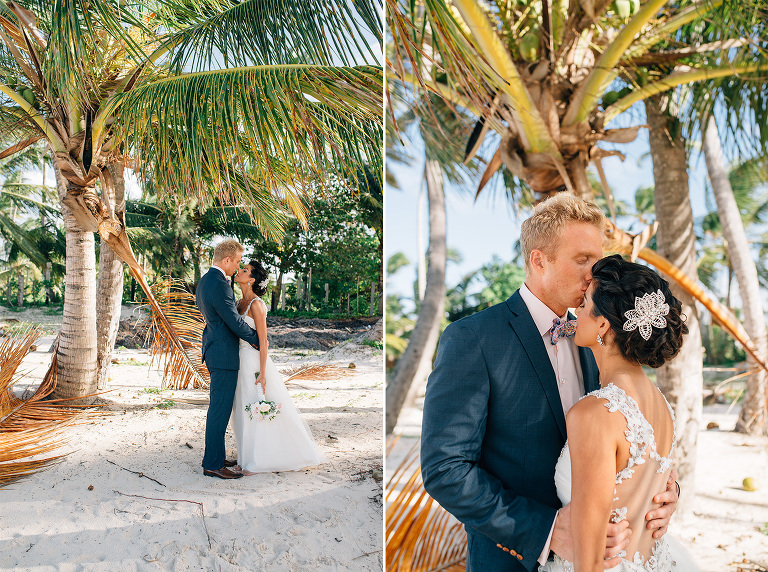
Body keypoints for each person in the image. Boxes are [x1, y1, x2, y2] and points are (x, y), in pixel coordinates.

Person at [420, 194, 679, 571]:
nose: (593, 275)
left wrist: (663, 492)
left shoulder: (600, 337)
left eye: (597, 260)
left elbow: (631, 439)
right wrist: (546, 530)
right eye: (582, 259)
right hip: (512, 561)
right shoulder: (473, 339)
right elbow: (445, 468)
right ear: (539, 260)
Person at [541, 254, 699, 571]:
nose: (576, 311)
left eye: (584, 304)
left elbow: (589, 561)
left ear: (603, 324)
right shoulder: (661, 404)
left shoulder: (594, 413)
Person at [229, 260, 325, 473]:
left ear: (251, 280)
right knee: (242, 409)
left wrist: (263, 373)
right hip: (238, 362)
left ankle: (258, 462)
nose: (239, 271)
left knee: (256, 407)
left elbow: (264, 341)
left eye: (244, 270)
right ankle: (245, 458)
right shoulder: (238, 303)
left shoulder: (256, 305)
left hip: (253, 361)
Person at [196, 239, 261, 480]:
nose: (237, 267)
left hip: (215, 349)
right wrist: (256, 339)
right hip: (223, 353)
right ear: (226, 260)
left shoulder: (206, 281)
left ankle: (215, 457)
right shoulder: (219, 284)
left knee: (219, 408)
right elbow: (233, 321)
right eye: (236, 262)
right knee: (219, 410)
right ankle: (213, 465)